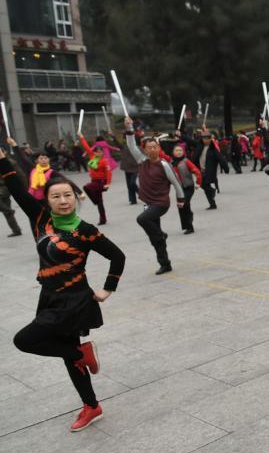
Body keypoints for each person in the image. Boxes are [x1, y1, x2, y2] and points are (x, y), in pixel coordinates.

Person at [1, 148, 125, 431]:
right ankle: (91, 405)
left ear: (75, 198)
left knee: (24, 340)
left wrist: (107, 289)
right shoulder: (40, 220)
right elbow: (16, 187)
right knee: (70, 355)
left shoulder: (86, 230)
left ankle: (82, 355)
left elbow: (118, 257)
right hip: (49, 298)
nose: (63, 200)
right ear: (47, 200)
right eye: (56, 196)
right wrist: (2, 160)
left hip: (75, 300)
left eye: (68, 195)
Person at [125, 117, 185, 274]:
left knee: (142, 219)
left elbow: (176, 182)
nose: (152, 149)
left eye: (154, 147)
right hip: (148, 202)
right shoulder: (142, 161)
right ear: (145, 150)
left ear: (159, 148)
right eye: (149, 147)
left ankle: (161, 235)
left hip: (161, 202)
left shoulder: (164, 164)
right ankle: (165, 263)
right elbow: (131, 145)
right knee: (154, 238)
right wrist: (129, 128)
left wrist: (180, 199)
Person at [78, 132, 112, 225]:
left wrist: (108, 183)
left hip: (100, 182)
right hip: (94, 181)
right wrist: (82, 137)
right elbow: (86, 147)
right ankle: (103, 219)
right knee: (100, 202)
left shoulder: (104, 161)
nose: (98, 153)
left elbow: (109, 172)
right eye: (96, 151)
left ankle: (95, 202)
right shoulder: (92, 156)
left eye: (100, 152)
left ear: (102, 152)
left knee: (86, 187)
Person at [169, 144, 202, 234]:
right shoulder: (171, 163)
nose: (179, 152)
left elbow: (197, 171)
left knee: (185, 204)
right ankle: (186, 225)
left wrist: (198, 183)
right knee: (181, 206)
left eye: (180, 150)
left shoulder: (186, 161)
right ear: (173, 152)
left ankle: (190, 227)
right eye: (177, 150)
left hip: (188, 187)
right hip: (179, 188)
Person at [193, 131, 224, 209]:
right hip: (200, 171)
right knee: (206, 188)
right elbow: (190, 141)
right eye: (204, 139)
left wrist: (225, 167)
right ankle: (212, 204)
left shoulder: (213, 148)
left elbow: (220, 158)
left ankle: (212, 192)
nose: (206, 140)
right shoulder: (199, 146)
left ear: (210, 139)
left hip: (209, 171)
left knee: (204, 186)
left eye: (207, 139)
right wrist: (181, 135)